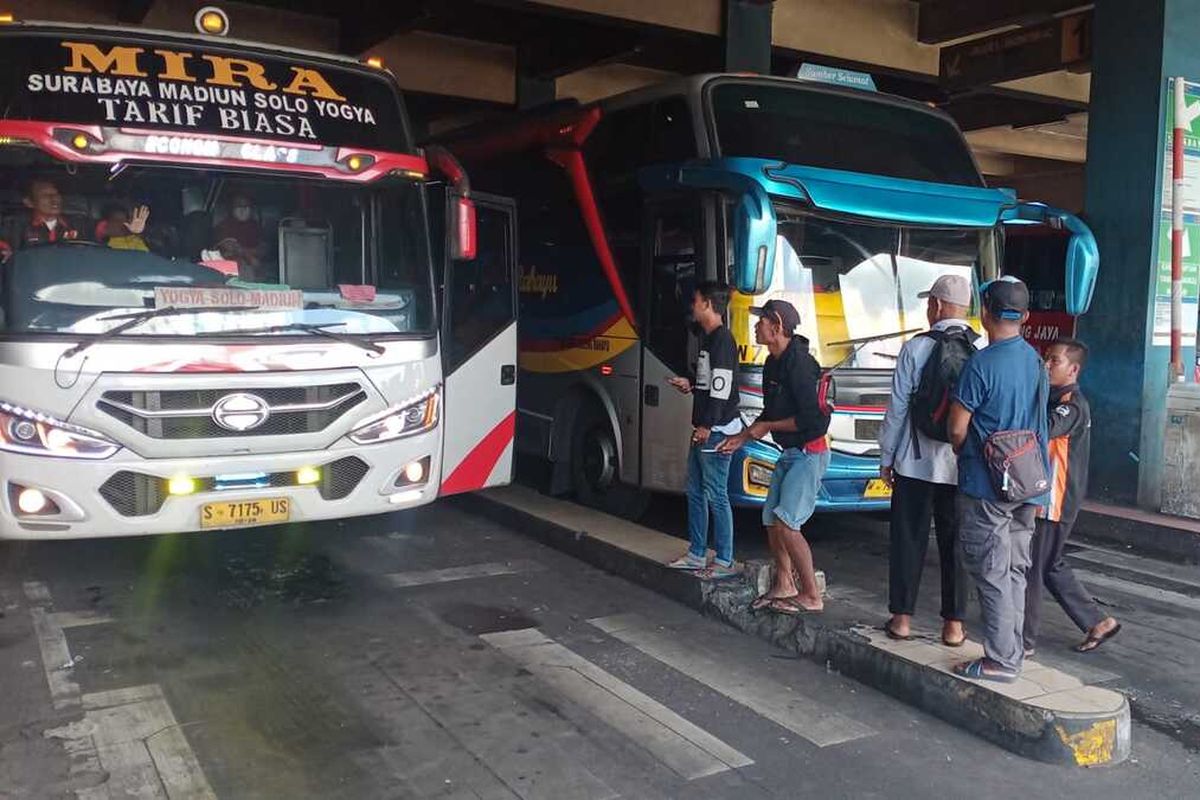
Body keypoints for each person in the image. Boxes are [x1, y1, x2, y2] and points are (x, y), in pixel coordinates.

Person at [947, 276, 1048, 683]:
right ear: (1024, 316)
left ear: (985, 312)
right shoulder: (1036, 362)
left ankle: (1001, 661)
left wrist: (961, 450)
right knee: (1015, 571)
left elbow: (957, 427)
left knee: (991, 572)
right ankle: (1013, 648)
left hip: (987, 484)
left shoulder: (981, 364)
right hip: (1029, 481)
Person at [878, 274, 975, 647]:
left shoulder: (916, 347)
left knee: (908, 539)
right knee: (955, 544)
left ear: (936, 305)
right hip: (959, 465)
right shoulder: (980, 349)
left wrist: (886, 457)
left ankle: (901, 619)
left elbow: (897, 408)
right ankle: (953, 626)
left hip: (914, 464)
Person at [718, 299, 830, 613]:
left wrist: (767, 425)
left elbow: (810, 420)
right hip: (789, 451)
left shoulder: (801, 365)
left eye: (761, 321)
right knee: (770, 519)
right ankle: (785, 583)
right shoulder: (772, 363)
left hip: (809, 451)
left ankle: (811, 594)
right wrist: (742, 437)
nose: (756, 326)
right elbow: (771, 411)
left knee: (787, 522)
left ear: (777, 326)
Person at [1023, 339, 1121, 655]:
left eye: (1054, 361)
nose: (1047, 365)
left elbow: (1045, 429)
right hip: (1051, 495)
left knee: (1033, 568)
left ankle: (1022, 641)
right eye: (1046, 359)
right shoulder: (1054, 397)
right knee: (1050, 564)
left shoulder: (1071, 404)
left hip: (1054, 499)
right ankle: (1098, 621)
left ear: (1074, 369)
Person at [667, 281, 743, 579]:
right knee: (696, 492)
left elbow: (721, 391)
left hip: (717, 430)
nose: (693, 306)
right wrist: (691, 383)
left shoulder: (722, 341)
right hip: (708, 427)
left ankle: (723, 559)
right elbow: (711, 382)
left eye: (697, 301)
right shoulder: (709, 339)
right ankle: (697, 554)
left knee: (716, 495)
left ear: (709, 304)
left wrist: (707, 425)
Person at [213, 191, 264, 272]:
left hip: (253, 270)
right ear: (231, 209)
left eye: (246, 206)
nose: (243, 210)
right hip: (229, 269)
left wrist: (252, 254)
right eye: (238, 206)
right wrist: (249, 256)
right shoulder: (223, 226)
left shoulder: (255, 226)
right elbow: (229, 246)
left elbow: (262, 249)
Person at [21, 178, 79, 246]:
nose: (54, 199)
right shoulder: (14, 227)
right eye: (45, 195)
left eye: (56, 194)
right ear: (29, 202)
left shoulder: (79, 224)